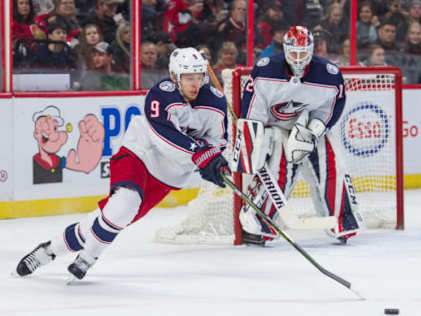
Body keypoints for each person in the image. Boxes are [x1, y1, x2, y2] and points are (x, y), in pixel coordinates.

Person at [15, 47, 230, 280]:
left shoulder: (215, 102)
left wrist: (215, 160)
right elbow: (164, 136)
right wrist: (200, 155)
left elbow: (217, 141)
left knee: (109, 219)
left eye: (199, 77)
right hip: (140, 153)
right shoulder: (162, 94)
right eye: (189, 78)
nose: (195, 84)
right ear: (175, 77)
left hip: (169, 175)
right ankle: (88, 258)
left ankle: (48, 250)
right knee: (123, 205)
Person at [237, 26, 362, 246]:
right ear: (284, 50)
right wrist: (255, 139)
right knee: (276, 169)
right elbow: (252, 108)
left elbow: (332, 106)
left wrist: (312, 131)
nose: (298, 58)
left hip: (308, 126)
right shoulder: (266, 70)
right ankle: (259, 224)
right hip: (276, 128)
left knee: (332, 164)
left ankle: (342, 221)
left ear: (311, 50)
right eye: (293, 53)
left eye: (303, 53)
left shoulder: (328, 73)